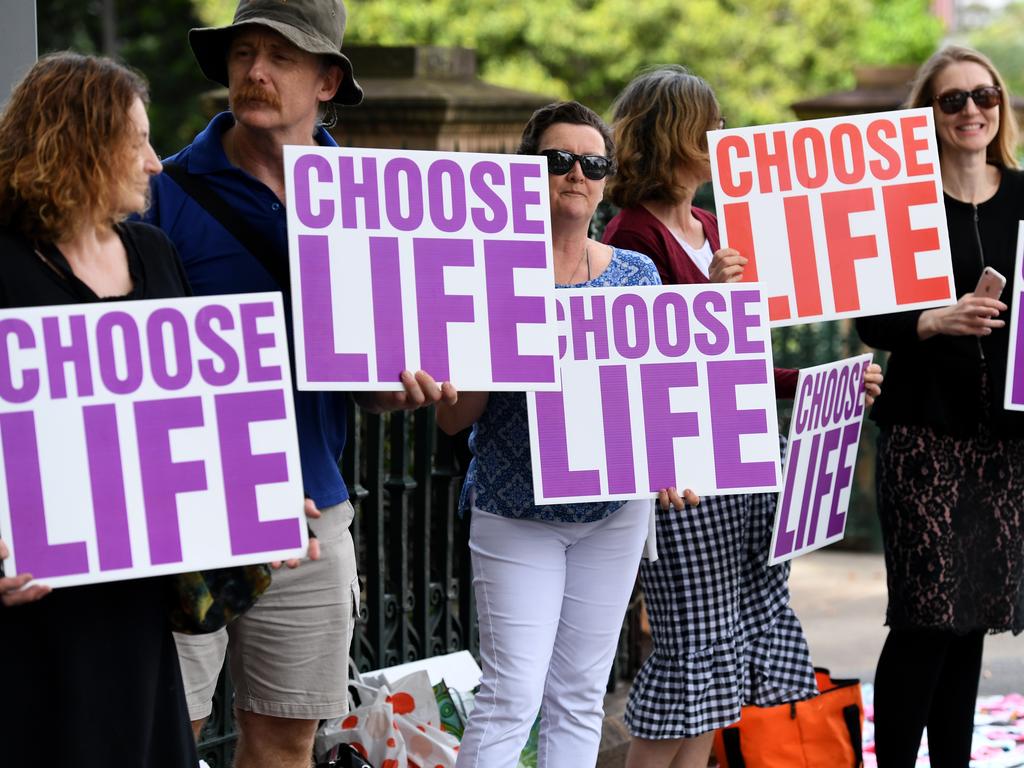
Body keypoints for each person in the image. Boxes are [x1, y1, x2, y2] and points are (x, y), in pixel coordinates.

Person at [146, 1, 456, 766]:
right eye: (244, 52)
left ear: (328, 81)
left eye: (281, 58)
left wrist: (392, 390)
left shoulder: (372, 201)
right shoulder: (162, 193)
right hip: (183, 508)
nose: (255, 72)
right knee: (161, 737)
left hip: (314, 512)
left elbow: (369, 367)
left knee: (286, 740)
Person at [603, 65, 882, 768]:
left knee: (725, 663)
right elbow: (651, 362)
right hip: (686, 476)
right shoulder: (631, 235)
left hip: (745, 461)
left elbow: (739, 364)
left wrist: (817, 381)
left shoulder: (710, 226)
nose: (723, 133)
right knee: (688, 656)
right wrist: (714, 295)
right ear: (675, 135)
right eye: (711, 122)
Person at [436, 100, 697, 768]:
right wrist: (494, 339)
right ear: (529, 173)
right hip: (515, 510)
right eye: (559, 160)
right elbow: (452, 417)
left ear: (608, 179)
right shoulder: (488, 271)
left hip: (612, 514)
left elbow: (655, 401)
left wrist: (669, 463)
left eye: (593, 162)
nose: (576, 173)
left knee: (580, 695)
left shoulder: (636, 275)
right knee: (510, 694)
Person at [0, 52, 197, 767]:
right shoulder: (6, 266)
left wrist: (253, 505)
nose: (155, 162)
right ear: (79, 146)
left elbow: (193, 411)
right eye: (136, 142)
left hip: (137, 605)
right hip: (37, 613)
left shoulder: (154, 253)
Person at [856, 45, 1024, 768]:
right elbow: (867, 320)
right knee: (927, 616)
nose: (971, 111)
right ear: (928, 114)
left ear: (1001, 106)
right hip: (924, 432)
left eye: (983, 96)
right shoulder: (900, 206)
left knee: (972, 619)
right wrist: (933, 320)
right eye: (953, 99)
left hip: (1008, 439)